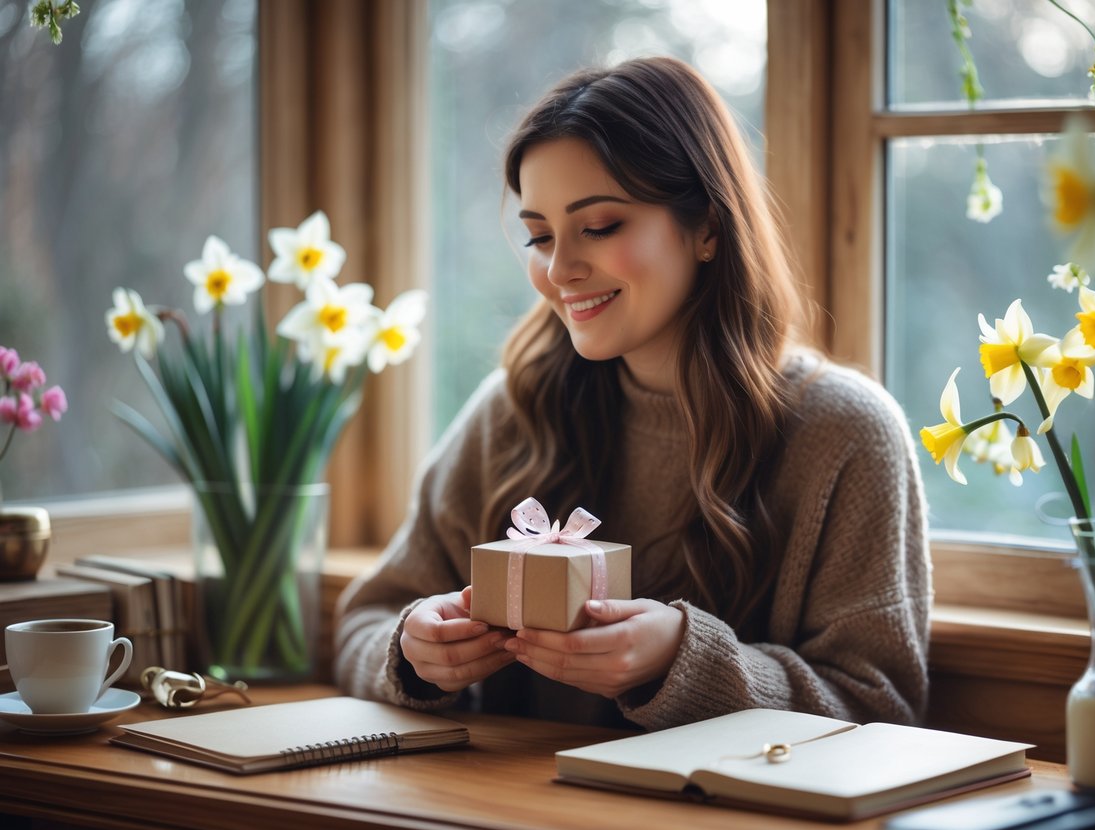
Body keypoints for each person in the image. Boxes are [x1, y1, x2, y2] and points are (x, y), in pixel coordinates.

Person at [335, 56, 930, 731]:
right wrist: (413, 650)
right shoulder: (511, 410)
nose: (559, 269)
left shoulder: (843, 432)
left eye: (599, 227)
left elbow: (883, 710)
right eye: (537, 236)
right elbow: (364, 624)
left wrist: (681, 660)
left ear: (706, 227)